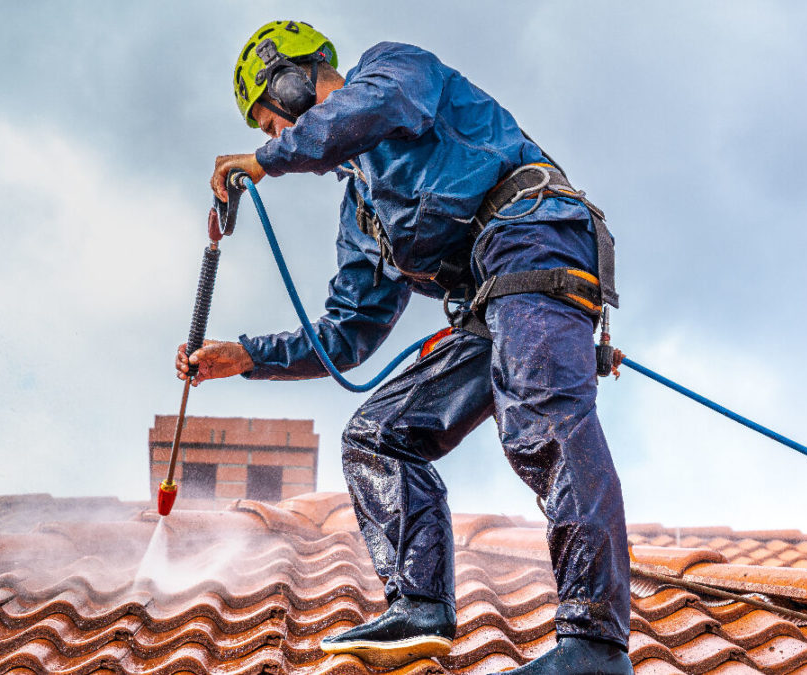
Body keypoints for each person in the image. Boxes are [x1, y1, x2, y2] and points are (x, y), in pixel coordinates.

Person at [176, 20, 633, 673]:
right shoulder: (362, 210)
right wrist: (247, 356)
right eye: (265, 133)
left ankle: (594, 646)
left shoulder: (391, 70)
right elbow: (348, 332)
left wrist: (267, 161)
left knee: (541, 419)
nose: (272, 136)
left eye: (270, 118)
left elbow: (376, 108)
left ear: (293, 78)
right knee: (377, 435)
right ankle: (419, 605)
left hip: (535, 239)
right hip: (489, 299)